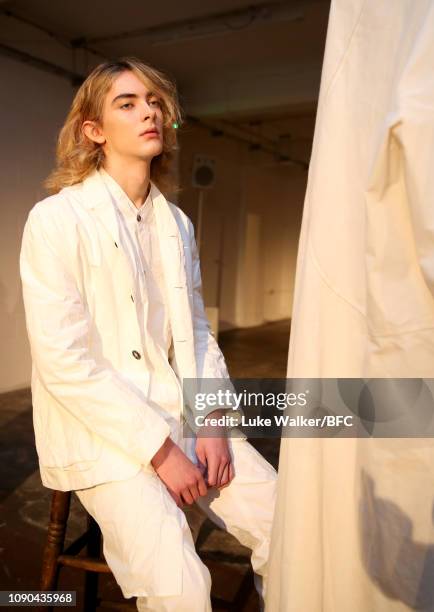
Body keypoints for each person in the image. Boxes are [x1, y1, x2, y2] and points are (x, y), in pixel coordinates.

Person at [20, 57, 277, 611]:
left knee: (289, 525)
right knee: (179, 583)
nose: (149, 112)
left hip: (181, 415)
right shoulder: (56, 220)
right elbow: (65, 362)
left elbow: (197, 331)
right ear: (93, 131)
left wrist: (211, 421)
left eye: (154, 102)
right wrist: (160, 452)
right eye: (127, 103)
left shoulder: (176, 223)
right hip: (104, 433)